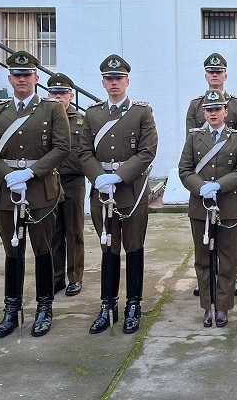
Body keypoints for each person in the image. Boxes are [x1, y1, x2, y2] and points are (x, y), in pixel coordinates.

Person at [0, 50, 70, 338]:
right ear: (10, 78)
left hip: (41, 190)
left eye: (27, 74)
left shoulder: (52, 109)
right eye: (17, 75)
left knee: (43, 249)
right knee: (12, 251)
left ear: (36, 78)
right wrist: (8, 175)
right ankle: (11, 309)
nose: (22, 79)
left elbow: (61, 148)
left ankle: (44, 308)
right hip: (6, 192)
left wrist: (30, 173)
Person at [79, 54, 158, 335]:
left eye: (119, 78)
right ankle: (107, 305)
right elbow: (83, 151)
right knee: (108, 248)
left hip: (131, 191)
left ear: (127, 81)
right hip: (102, 191)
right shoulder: (92, 114)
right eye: (109, 79)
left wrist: (119, 175)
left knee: (133, 247)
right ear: (103, 82)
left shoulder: (141, 113)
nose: (114, 83)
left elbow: (147, 151)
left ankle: (133, 305)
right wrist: (99, 177)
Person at [179, 89, 237, 328]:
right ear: (204, 112)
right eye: (209, 110)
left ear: (225, 112)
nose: (213, 113)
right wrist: (201, 188)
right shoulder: (193, 137)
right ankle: (207, 306)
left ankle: (223, 307)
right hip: (200, 206)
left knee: (228, 260)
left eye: (217, 109)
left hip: (228, 205)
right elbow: (185, 170)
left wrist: (218, 185)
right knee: (203, 259)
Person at [187, 52, 237, 296]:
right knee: (203, 229)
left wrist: (228, 179)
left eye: (219, 72)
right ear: (205, 76)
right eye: (211, 72)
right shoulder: (195, 105)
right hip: (201, 180)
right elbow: (189, 144)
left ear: (225, 75)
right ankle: (205, 277)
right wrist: (199, 183)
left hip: (229, 178)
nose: (215, 75)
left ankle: (231, 275)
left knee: (229, 230)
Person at [47, 73, 86, 297]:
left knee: (74, 232)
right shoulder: (43, 118)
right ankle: (56, 278)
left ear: (71, 95)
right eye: (54, 92)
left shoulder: (81, 120)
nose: (59, 97)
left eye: (63, 93)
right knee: (53, 232)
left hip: (73, 181)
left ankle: (75, 277)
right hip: (49, 180)